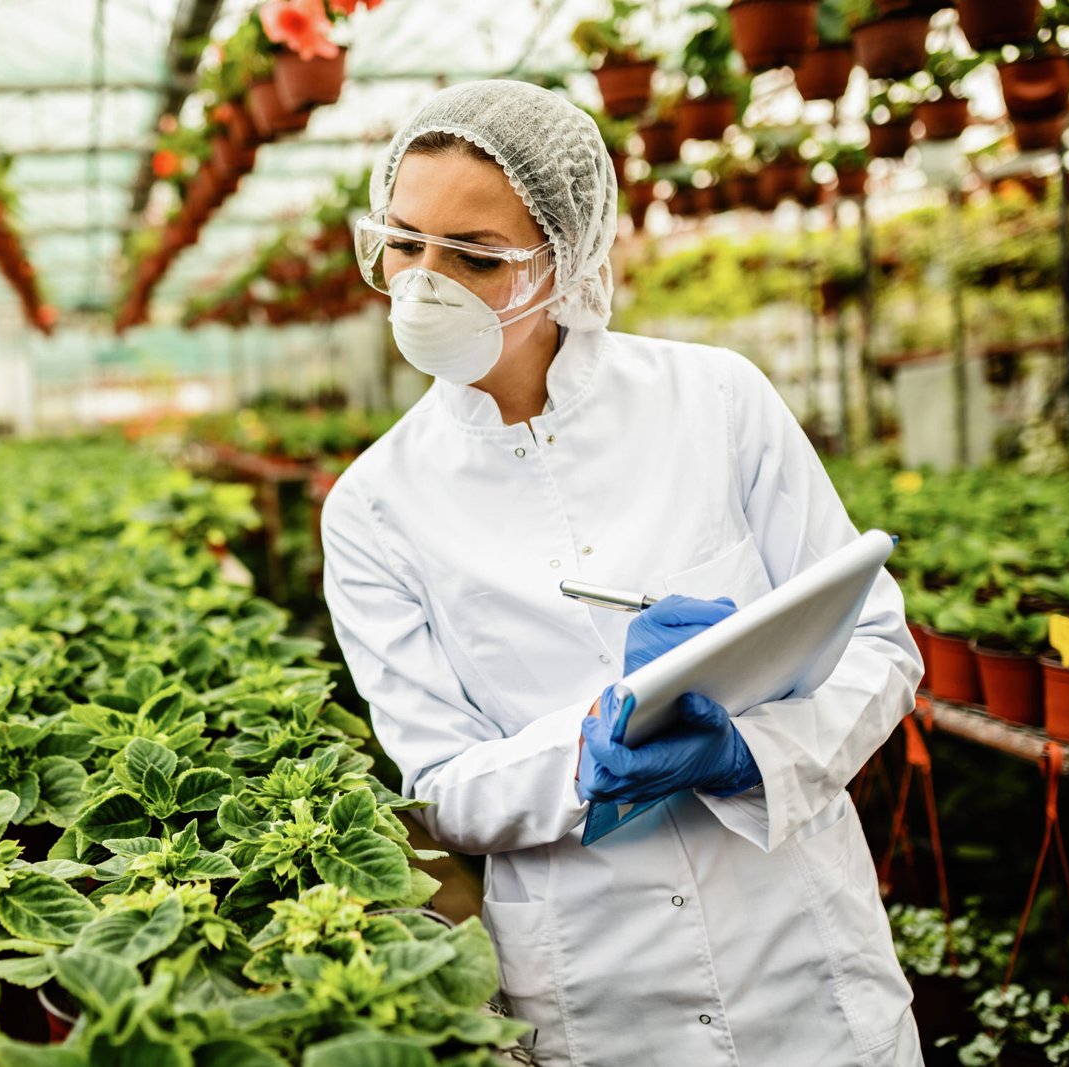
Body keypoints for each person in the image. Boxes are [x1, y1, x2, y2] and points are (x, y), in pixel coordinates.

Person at [320, 79, 924, 1066]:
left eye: (474, 256)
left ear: (564, 259)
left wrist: (747, 751)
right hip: (598, 984)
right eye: (402, 241)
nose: (427, 281)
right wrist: (590, 747)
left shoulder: (713, 400)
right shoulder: (374, 504)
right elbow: (438, 782)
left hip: (799, 955)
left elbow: (874, 643)